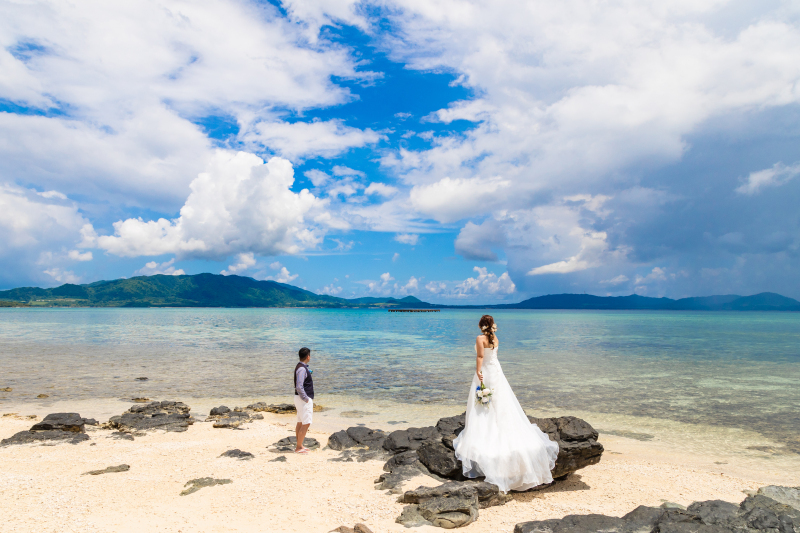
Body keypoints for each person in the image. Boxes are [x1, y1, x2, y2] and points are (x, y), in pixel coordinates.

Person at [452, 315, 559, 493]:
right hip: (497, 371)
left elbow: (480, 356)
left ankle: (487, 426)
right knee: (500, 399)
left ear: (480, 325)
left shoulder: (480, 338)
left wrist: (478, 371)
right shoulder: (495, 338)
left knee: (483, 399)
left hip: (486, 371)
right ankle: (501, 423)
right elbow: (493, 356)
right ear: (492, 325)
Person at [293, 347, 314, 454]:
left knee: (300, 422)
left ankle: (300, 445)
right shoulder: (302, 369)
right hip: (303, 399)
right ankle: (298, 447)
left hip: (299, 398)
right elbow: (299, 386)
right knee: (306, 423)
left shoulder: (301, 367)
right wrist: (306, 399)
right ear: (308, 357)